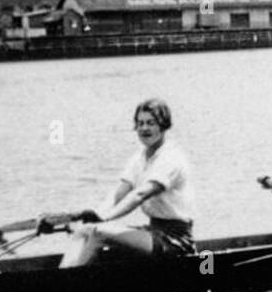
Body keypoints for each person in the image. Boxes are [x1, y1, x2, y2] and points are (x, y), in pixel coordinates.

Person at [57, 98, 195, 267]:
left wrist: (104, 218)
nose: (144, 128)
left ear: (163, 125)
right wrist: (95, 214)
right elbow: (119, 194)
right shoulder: (139, 158)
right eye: (140, 123)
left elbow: (139, 195)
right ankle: (66, 275)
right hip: (153, 232)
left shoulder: (171, 158)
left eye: (151, 123)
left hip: (175, 241)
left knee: (96, 232)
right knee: (84, 231)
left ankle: (68, 284)